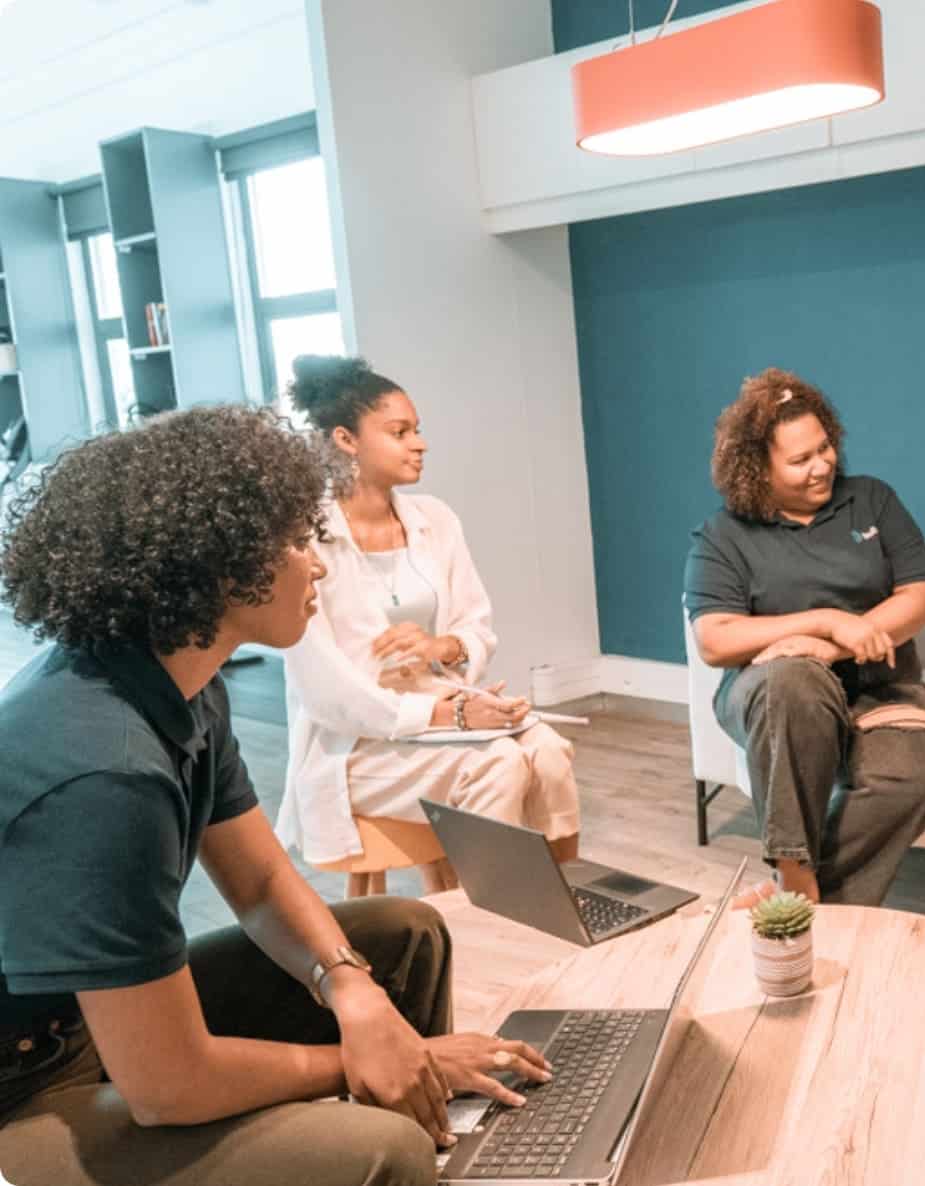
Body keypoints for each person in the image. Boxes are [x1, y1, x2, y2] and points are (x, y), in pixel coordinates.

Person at [0, 406, 551, 1186]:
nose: (317, 564)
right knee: (381, 1156)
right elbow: (166, 1085)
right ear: (218, 566)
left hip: (96, 1025)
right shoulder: (103, 773)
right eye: (298, 542)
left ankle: (431, 1127)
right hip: (27, 1093)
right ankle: (395, 1142)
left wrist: (350, 987)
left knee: (402, 935)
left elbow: (258, 881)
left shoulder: (180, 683)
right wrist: (377, 1057)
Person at [276, 356, 580, 878]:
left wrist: (443, 650)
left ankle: (548, 902)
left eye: (418, 430)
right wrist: (456, 716)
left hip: (438, 711)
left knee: (549, 753)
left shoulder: (435, 519)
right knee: (499, 764)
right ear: (346, 439)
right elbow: (329, 698)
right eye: (400, 432)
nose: (420, 443)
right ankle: (488, 922)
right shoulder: (304, 539)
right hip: (357, 744)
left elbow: (476, 626)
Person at [685, 368, 925, 907]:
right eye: (800, 460)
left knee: (921, 773)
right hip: (774, 696)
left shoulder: (872, 500)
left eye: (825, 448)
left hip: (881, 689)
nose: (822, 464)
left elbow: (920, 597)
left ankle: (799, 902)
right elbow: (715, 639)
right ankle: (793, 871)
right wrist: (824, 622)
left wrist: (836, 645)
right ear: (756, 471)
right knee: (792, 681)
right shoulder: (725, 536)